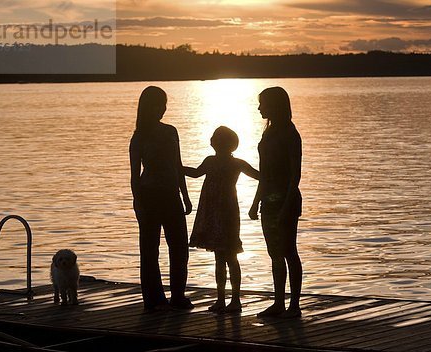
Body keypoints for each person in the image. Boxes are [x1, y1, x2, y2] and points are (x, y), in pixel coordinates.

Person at [129, 86, 194, 311]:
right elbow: (135, 175)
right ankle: (154, 299)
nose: (162, 109)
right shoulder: (138, 138)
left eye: (164, 104)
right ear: (148, 107)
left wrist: (185, 195)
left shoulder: (171, 132)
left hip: (171, 195)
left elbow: (177, 165)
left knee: (179, 248)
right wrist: (137, 202)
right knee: (149, 250)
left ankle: (178, 296)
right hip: (149, 196)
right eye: (158, 104)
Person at [184, 126, 259, 313]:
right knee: (222, 257)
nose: (211, 140)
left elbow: (260, 176)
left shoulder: (232, 163)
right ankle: (222, 299)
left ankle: (234, 300)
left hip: (225, 213)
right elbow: (194, 172)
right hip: (216, 212)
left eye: (215, 138)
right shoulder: (218, 162)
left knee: (229, 256)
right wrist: (177, 167)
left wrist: (176, 167)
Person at [249, 87, 303, 318]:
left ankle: (294, 305)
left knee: (289, 251)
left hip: (286, 201)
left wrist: (286, 206)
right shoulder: (267, 134)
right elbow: (264, 173)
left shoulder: (290, 134)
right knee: (274, 253)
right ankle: (279, 302)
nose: (259, 108)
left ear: (275, 105)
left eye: (263, 104)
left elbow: (295, 175)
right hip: (268, 202)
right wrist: (255, 203)